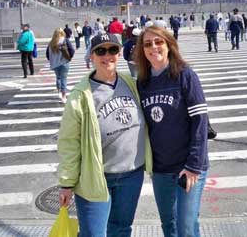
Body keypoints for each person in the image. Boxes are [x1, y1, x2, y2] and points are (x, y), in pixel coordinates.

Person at [58, 32, 153, 237]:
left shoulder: (131, 83)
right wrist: (66, 183)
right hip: (95, 177)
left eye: (112, 50)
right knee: (93, 233)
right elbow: (68, 143)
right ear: (91, 56)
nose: (107, 55)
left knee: (121, 229)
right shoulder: (80, 95)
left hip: (131, 174)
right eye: (100, 51)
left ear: (119, 54)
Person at [134, 26, 210, 237]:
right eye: (148, 44)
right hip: (161, 168)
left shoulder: (185, 76)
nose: (154, 47)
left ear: (169, 45)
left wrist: (194, 166)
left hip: (188, 166)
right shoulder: (143, 83)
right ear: (142, 50)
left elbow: (200, 122)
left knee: (185, 226)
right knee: (169, 225)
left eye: (159, 42)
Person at [46, 28, 75, 103]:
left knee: (58, 77)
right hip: (64, 62)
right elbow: (72, 50)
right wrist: (69, 58)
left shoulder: (51, 42)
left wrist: (52, 60)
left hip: (55, 63)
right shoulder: (65, 40)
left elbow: (47, 54)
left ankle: (59, 92)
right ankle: (64, 96)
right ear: (62, 33)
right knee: (64, 79)